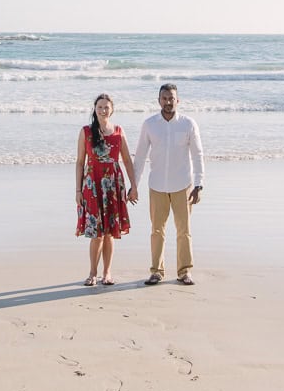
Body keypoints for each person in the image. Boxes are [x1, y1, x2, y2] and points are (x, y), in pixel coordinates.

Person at [132, 82, 205, 286]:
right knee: (157, 231)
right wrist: (134, 185)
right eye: (164, 98)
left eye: (171, 98)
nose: (168, 102)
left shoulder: (188, 124)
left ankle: (184, 272)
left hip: (183, 185)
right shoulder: (149, 124)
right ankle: (156, 271)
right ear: (159, 101)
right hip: (157, 186)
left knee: (184, 230)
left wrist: (199, 184)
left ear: (177, 100)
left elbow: (197, 154)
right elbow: (140, 156)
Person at [75, 92, 140, 286]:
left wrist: (133, 186)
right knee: (96, 233)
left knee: (110, 232)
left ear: (112, 109)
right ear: (95, 110)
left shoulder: (119, 131)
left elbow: (127, 160)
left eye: (106, 107)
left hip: (113, 185)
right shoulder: (86, 131)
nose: (103, 110)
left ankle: (107, 273)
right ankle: (92, 273)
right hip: (92, 185)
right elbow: (80, 162)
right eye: (100, 107)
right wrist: (78, 191)